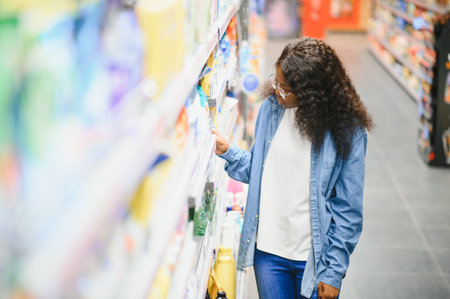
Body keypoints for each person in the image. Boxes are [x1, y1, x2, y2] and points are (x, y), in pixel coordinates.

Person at [212, 37, 374, 299]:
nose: (277, 91)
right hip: (269, 252)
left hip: (312, 258)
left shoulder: (346, 130)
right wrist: (228, 151)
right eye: (277, 82)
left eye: (286, 88)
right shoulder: (271, 110)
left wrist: (333, 271)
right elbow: (261, 170)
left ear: (312, 93)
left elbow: (348, 209)